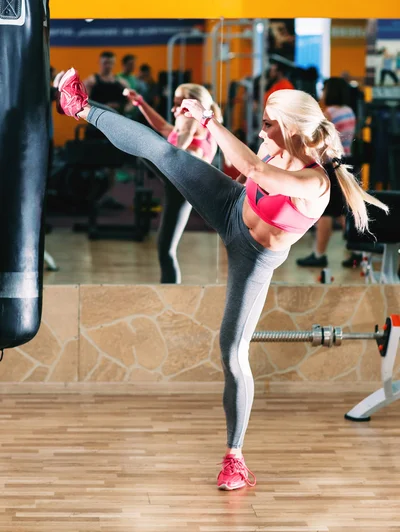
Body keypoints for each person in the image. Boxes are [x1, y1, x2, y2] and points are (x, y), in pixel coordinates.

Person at [57, 68, 388, 491]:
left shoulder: (315, 182)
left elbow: (252, 167)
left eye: (268, 123)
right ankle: (79, 107)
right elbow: (242, 172)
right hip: (231, 205)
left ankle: (235, 458)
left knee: (232, 352)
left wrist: (211, 119)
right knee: (168, 154)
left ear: (290, 128)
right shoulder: (274, 145)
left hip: (254, 257)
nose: (263, 129)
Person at [124, 83, 220, 283]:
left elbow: (176, 149)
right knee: (165, 249)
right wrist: (140, 103)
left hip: (183, 185)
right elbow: (162, 126)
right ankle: (171, 290)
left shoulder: (191, 122)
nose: (173, 109)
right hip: (181, 188)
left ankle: (91, 110)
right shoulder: (197, 124)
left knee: (166, 250)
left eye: (179, 105)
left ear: (195, 106)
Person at [297, 77, 358, 268]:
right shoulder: (349, 111)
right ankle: (357, 251)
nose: (322, 93)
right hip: (346, 163)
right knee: (342, 211)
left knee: (324, 212)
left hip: (331, 165)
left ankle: (319, 254)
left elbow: (316, 139)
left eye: (324, 89)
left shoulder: (329, 114)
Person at [84, 51, 129, 116]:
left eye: (111, 63)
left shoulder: (122, 82)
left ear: (114, 64)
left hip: (117, 117)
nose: (108, 66)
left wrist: (125, 109)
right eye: (105, 63)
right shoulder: (91, 82)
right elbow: (85, 103)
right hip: (98, 118)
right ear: (99, 63)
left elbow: (131, 102)